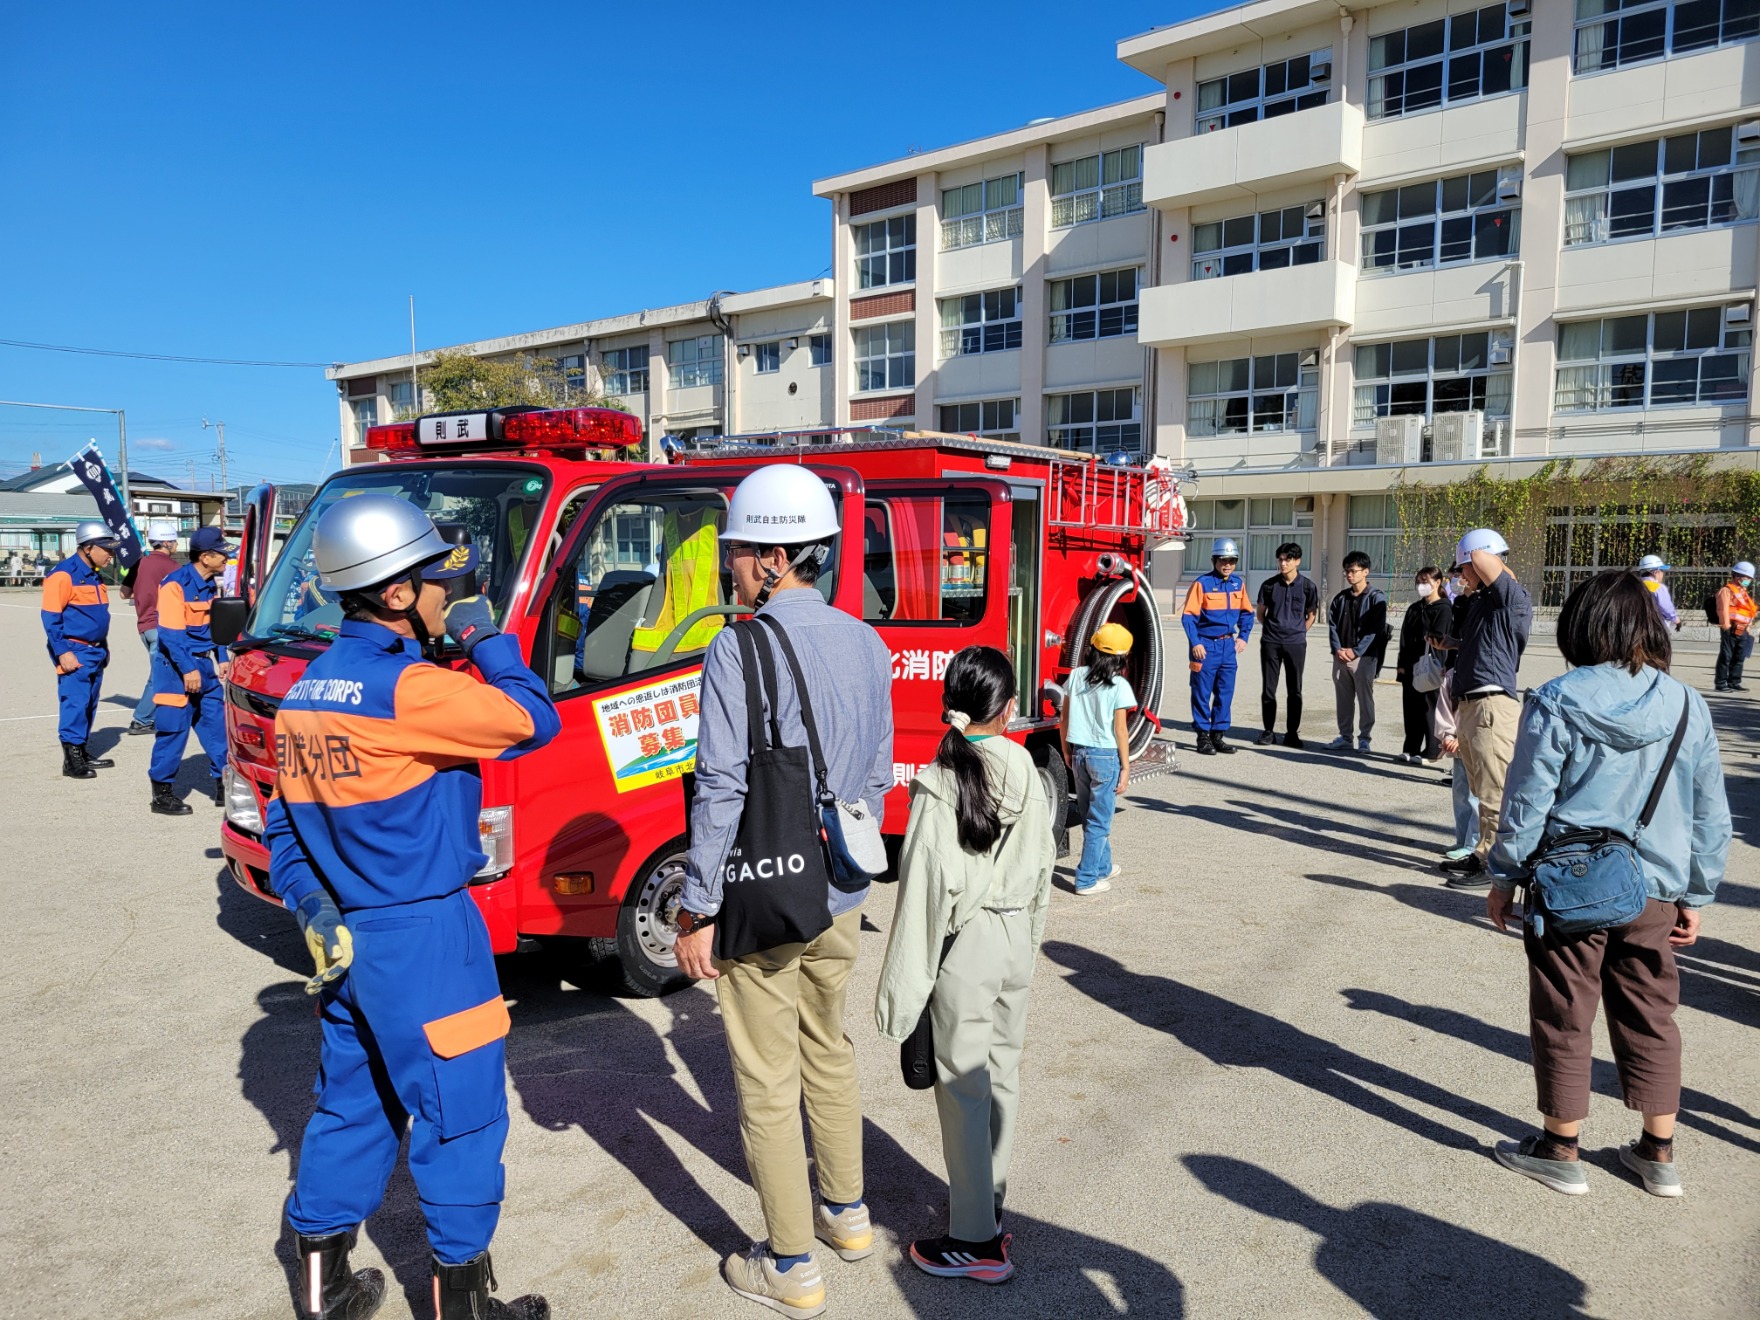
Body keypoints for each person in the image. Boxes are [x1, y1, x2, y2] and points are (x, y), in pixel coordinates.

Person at [265, 493, 560, 1320]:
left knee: (349, 1111)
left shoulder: (304, 691)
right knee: (458, 1119)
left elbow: (285, 831)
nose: (447, 595)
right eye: (438, 583)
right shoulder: (414, 689)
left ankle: (323, 1294)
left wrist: (312, 907)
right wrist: (486, 637)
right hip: (428, 934)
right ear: (397, 594)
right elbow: (533, 719)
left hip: (344, 940)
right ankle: (462, 1310)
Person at [671, 465, 893, 1320]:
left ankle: (792, 1266)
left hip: (766, 894)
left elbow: (721, 786)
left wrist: (699, 906)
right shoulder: (865, 642)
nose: (730, 567)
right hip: (841, 886)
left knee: (767, 1081)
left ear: (770, 556)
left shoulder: (738, 646)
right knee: (827, 1050)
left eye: (735, 553)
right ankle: (848, 1216)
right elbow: (874, 775)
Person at [1486, 570, 1729, 1198]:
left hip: (1572, 888)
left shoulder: (1557, 698)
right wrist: (1697, 894)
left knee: (1565, 1014)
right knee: (1654, 1015)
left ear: (1583, 626)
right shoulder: (1688, 705)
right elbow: (1709, 811)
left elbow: (1527, 799)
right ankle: (1658, 1153)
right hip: (1655, 888)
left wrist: (1506, 875)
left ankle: (1560, 1149)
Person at [874, 646, 1055, 1284]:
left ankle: (976, 1239)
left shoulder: (941, 777)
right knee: (1001, 1075)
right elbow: (1043, 866)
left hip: (967, 944)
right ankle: (992, 1206)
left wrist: (899, 995)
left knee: (963, 1089)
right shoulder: (1029, 772)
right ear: (1008, 709)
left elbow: (923, 894)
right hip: (1013, 940)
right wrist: (1030, 942)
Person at [1438, 528, 1533, 887]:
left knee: (1495, 789)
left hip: (1491, 705)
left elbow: (1483, 558)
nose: (1461, 575)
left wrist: (1474, 550)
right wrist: (1454, 643)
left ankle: (1497, 866)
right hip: (1472, 703)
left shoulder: (1510, 595)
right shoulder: (1484, 601)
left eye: (1463, 566)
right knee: (1481, 788)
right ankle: (1482, 854)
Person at [148, 526, 234, 815]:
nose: (227, 559)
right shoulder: (175, 584)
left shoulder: (211, 584)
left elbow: (215, 625)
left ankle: (224, 785)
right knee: (173, 729)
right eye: (222, 554)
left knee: (217, 727)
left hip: (203, 665)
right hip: (176, 667)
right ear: (206, 556)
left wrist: (221, 656)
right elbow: (171, 635)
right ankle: (162, 793)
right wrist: (188, 669)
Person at [40, 520, 121, 779]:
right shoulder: (63, 575)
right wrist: (63, 651)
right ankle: (72, 760)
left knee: (89, 703)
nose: (111, 554)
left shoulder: (95, 575)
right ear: (88, 547)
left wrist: (104, 646)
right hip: (74, 649)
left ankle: (82, 751)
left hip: (95, 650)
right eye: (106, 549)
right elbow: (50, 618)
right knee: (75, 702)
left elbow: (97, 616)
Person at [1059, 623, 1135, 893]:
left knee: (1092, 815)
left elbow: (1064, 718)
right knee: (1100, 821)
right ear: (1121, 658)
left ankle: (1103, 866)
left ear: (1092, 650)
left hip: (1078, 754)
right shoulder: (1119, 686)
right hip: (1104, 758)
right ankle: (1086, 879)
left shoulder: (1077, 676)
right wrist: (1126, 767)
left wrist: (1066, 750)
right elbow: (1120, 730)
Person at [1181, 537, 1253, 755]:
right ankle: (1203, 736)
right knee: (1201, 692)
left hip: (1227, 646)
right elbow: (1188, 617)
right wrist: (1195, 643)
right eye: (1223, 560)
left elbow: (1248, 614)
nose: (1228, 564)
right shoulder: (1202, 584)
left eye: (1232, 560)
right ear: (1214, 560)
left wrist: (1243, 637)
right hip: (1205, 646)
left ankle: (1218, 735)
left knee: (1225, 692)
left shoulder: (1237, 584)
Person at [1254, 542, 1319, 748]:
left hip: (1296, 643)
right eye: (1280, 559)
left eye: (1287, 559)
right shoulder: (1269, 585)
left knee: (1295, 689)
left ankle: (1292, 733)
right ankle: (1268, 731)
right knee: (1268, 689)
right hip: (1271, 642)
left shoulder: (1308, 586)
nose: (1283, 563)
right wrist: (1274, 630)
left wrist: (1298, 631)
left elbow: (1311, 615)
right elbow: (1260, 613)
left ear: (1297, 561)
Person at [1325, 551, 1387, 752]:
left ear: (1365, 571)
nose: (1349, 575)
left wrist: (1356, 651)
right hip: (1341, 655)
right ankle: (1345, 736)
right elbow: (1332, 624)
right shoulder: (1340, 598)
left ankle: (1365, 738)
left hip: (1364, 658)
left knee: (1364, 698)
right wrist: (1337, 649)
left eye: (1353, 571)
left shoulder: (1376, 598)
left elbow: (1376, 630)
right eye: (1347, 571)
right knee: (1343, 699)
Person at [121, 524, 180, 736]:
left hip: (144, 626)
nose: (176, 544)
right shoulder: (173, 567)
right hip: (161, 626)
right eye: (174, 540)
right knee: (159, 675)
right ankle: (142, 719)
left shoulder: (139, 564)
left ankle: (155, 714)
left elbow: (123, 593)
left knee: (164, 672)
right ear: (166, 542)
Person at [1395, 567, 1450, 764]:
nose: (1421, 586)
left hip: (1430, 664)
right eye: (1418, 582)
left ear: (1438, 582)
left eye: (1425, 581)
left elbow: (1439, 637)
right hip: (1411, 664)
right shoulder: (1414, 608)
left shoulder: (1443, 608)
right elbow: (1404, 637)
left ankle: (1433, 750)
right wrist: (1401, 663)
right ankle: (1411, 747)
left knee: (1430, 707)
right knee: (1410, 707)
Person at [1431, 670, 1481, 863]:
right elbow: (1444, 707)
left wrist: (1463, 737)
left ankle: (1473, 845)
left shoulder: (1484, 673)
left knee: (1477, 797)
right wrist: (1448, 735)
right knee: (1461, 796)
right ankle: (1462, 840)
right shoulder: (1454, 674)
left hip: (1476, 744)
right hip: (1458, 747)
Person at [1713, 560, 1756, 692]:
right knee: (1726, 656)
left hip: (1743, 629)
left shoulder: (1743, 592)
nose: (1748, 580)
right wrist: (1725, 626)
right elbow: (1723, 609)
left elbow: (1747, 611)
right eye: (1746, 577)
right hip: (1730, 627)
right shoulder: (1726, 590)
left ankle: (1734, 682)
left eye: (1750, 578)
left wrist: (1748, 627)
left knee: (1739, 656)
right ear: (1737, 576)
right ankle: (1721, 683)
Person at [1635, 554, 1680, 631]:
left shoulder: (1635, 585)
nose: (1663, 574)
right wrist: (1676, 620)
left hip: (1636, 625)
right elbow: (1666, 607)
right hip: (1656, 628)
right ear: (1656, 572)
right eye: (1662, 571)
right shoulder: (1658, 587)